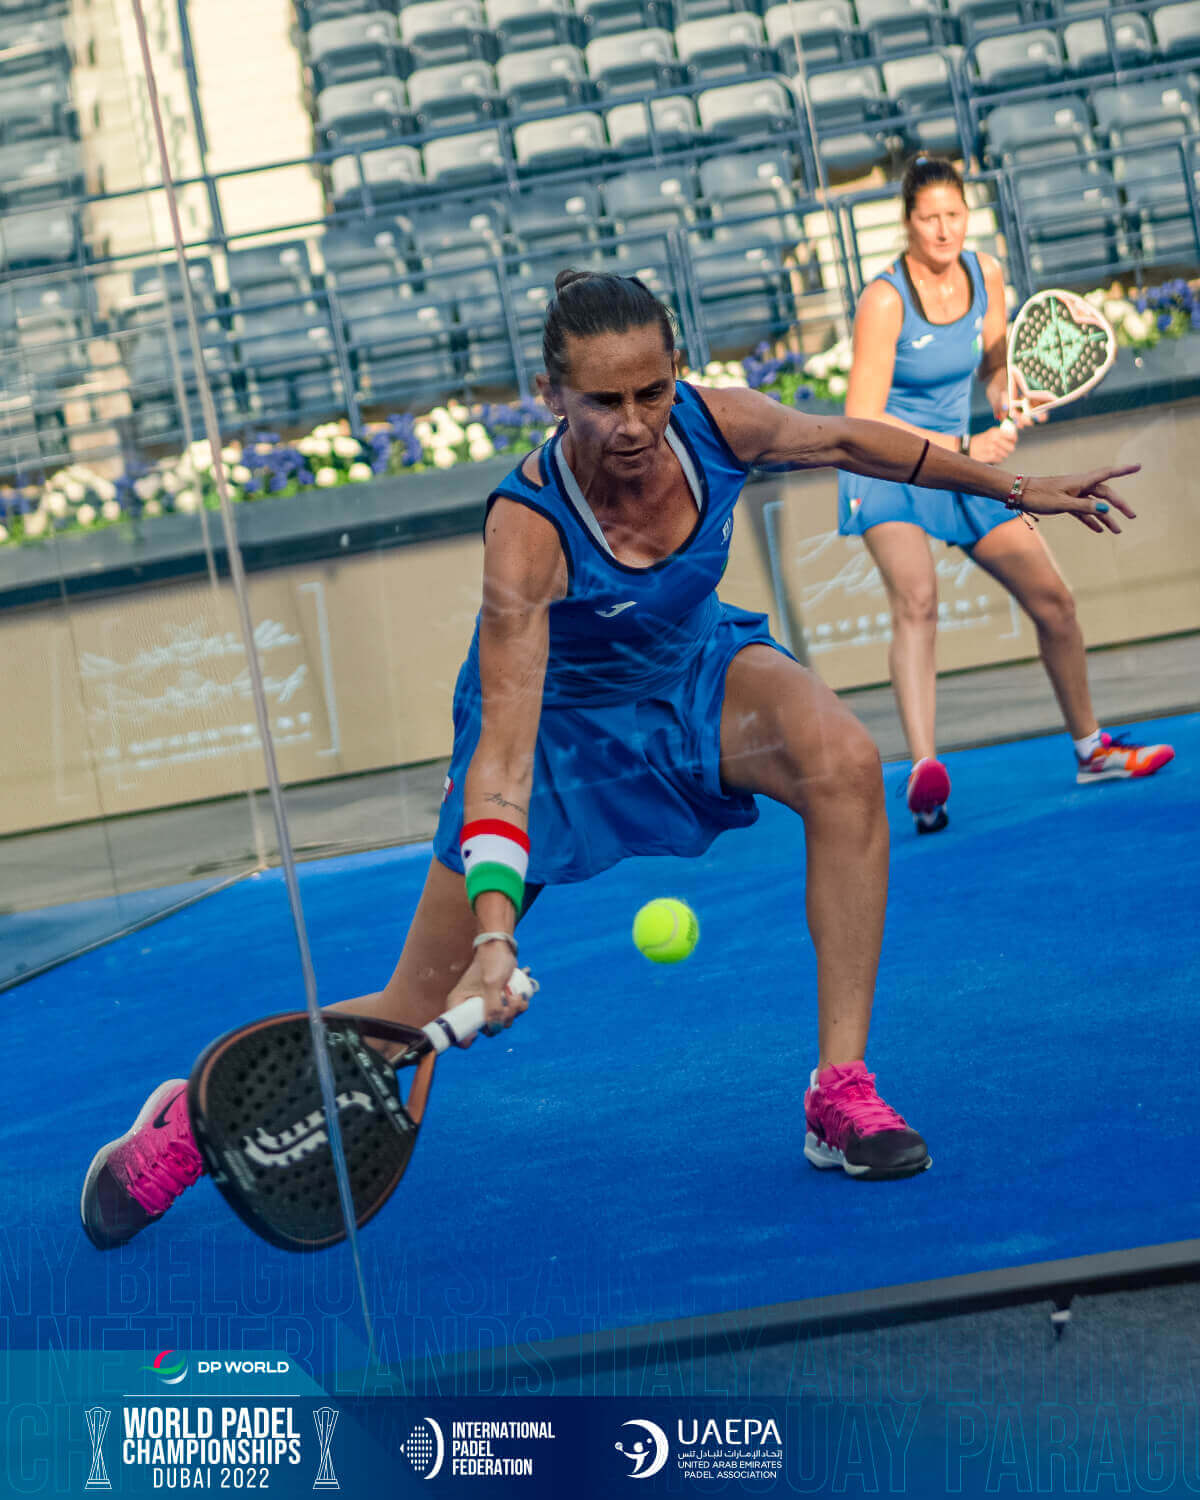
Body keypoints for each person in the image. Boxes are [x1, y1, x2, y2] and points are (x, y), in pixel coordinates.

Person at [82, 268, 1143, 1250]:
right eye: (603, 402)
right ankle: (187, 1122)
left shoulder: (718, 423)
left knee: (846, 763)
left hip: (693, 676)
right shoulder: (528, 530)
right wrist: (494, 935)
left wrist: (1011, 488)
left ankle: (840, 1091)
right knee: (407, 1016)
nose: (633, 423)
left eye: (651, 392)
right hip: (554, 737)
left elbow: (853, 442)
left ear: (676, 374)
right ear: (550, 395)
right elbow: (504, 759)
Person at [838, 155, 1174, 834]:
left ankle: (1093, 750)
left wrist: (1005, 396)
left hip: (961, 463)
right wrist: (965, 447)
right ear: (907, 224)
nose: (944, 230)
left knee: (1054, 601)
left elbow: (996, 361)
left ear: (969, 215)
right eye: (929, 218)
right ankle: (926, 777)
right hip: (887, 467)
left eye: (954, 215)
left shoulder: (984, 272)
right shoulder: (884, 299)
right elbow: (862, 417)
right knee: (918, 601)